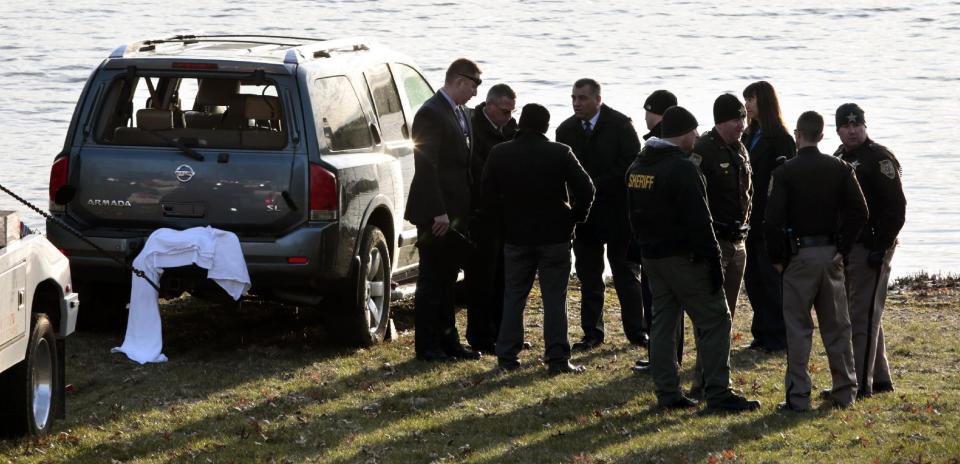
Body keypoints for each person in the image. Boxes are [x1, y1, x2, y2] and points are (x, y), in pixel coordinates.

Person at [626, 105, 760, 411]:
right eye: (694, 131)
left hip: (653, 256)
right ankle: (718, 392)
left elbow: (632, 215)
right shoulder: (682, 168)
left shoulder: (638, 167)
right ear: (684, 134)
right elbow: (700, 220)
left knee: (663, 322)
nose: (697, 136)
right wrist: (713, 261)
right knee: (716, 320)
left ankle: (667, 391)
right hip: (684, 257)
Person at [765, 111, 868, 411]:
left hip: (798, 257)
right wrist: (843, 248)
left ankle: (798, 397)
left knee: (798, 330)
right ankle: (845, 391)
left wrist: (777, 259)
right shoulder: (840, 168)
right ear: (823, 135)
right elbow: (859, 212)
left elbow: (771, 221)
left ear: (798, 134)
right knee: (837, 327)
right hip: (831, 255)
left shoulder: (784, 173)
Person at [481, 103, 595, 374]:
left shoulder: (500, 153)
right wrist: (575, 217)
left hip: (516, 236)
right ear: (546, 126)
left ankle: (507, 356)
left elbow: (486, 196)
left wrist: (501, 225)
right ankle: (557, 358)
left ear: (520, 123)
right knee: (555, 298)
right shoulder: (560, 152)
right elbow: (587, 188)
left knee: (513, 297)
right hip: (554, 236)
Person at [555, 78, 645, 351]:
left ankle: (637, 330)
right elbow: (563, 173)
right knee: (589, 276)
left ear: (597, 99)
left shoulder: (620, 125)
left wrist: (595, 183)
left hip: (618, 213)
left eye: (582, 98)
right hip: (585, 217)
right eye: (573, 98)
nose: (576, 103)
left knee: (626, 275)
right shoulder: (566, 130)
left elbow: (631, 165)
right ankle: (592, 332)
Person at [404, 58, 483, 362]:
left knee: (448, 279)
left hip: (457, 213)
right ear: (460, 80)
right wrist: (438, 211)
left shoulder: (460, 112)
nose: (476, 93)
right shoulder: (431, 113)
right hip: (435, 213)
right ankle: (427, 345)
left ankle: (450, 341)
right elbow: (425, 164)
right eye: (475, 85)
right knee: (432, 280)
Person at [833, 103, 906, 398]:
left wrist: (882, 245)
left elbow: (897, 207)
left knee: (860, 316)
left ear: (865, 126)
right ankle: (880, 377)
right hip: (851, 247)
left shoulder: (879, 159)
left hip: (873, 245)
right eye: (846, 126)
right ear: (837, 129)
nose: (852, 130)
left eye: (857, 125)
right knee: (864, 312)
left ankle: (860, 385)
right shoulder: (838, 157)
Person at [686, 94, 753, 398]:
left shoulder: (740, 148)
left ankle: (712, 378)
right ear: (720, 121)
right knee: (713, 316)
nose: (741, 124)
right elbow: (695, 200)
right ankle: (707, 382)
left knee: (726, 316)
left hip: (739, 241)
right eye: (735, 119)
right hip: (716, 243)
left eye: (743, 118)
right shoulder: (704, 151)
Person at [741, 81, 796, 353]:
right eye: (746, 100)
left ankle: (778, 335)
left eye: (751, 99)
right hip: (748, 220)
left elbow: (785, 185)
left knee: (771, 279)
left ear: (764, 101)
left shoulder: (781, 139)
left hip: (769, 218)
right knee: (753, 279)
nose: (747, 105)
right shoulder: (748, 136)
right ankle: (761, 331)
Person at [465, 84, 518, 353]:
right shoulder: (472, 127)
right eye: (504, 111)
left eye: (511, 112)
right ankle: (479, 335)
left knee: (504, 278)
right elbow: (475, 169)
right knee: (481, 279)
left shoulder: (512, 129)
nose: (508, 117)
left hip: (505, 215)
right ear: (489, 105)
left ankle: (500, 332)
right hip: (481, 213)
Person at [632, 89, 680, 372]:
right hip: (667, 239)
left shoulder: (658, 147)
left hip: (656, 239)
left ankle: (662, 357)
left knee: (660, 304)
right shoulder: (674, 144)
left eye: (647, 111)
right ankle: (665, 355)